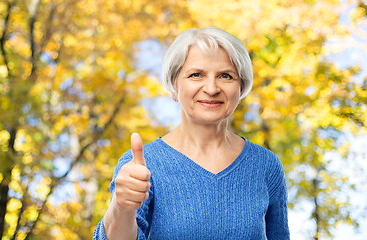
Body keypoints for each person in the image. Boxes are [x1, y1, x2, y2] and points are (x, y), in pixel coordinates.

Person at [93, 26, 290, 239]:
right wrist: (121, 208)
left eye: (226, 76)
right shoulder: (140, 166)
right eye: (196, 75)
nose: (212, 88)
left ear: (240, 88)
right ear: (174, 86)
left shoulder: (265, 165)